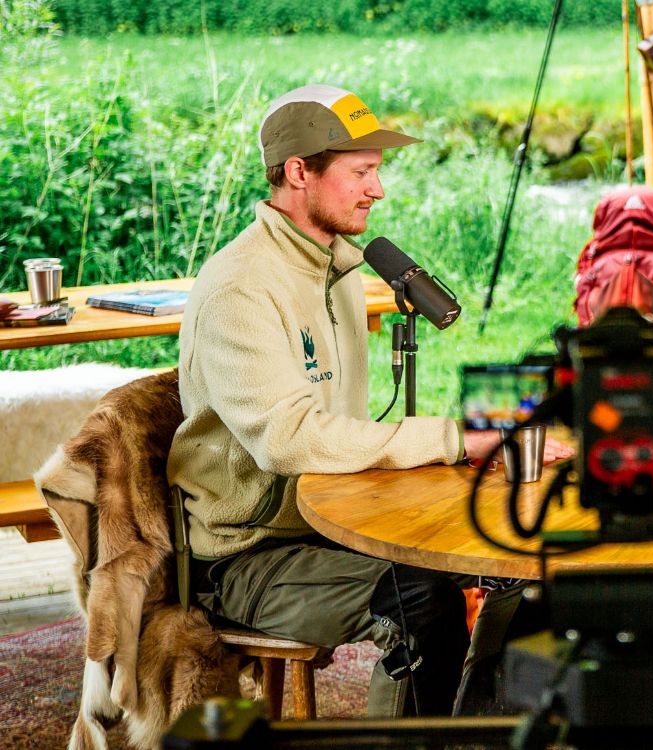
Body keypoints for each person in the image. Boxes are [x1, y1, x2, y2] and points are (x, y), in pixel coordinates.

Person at [166, 84, 572, 717]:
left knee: (530, 559)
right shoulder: (240, 289)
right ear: (298, 172)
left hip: (335, 518)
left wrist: (472, 450)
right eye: (361, 172)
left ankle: (478, 726)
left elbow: (341, 430)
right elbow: (290, 440)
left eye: (375, 171)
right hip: (248, 554)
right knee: (419, 597)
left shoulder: (340, 271)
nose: (376, 189)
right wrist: (452, 439)